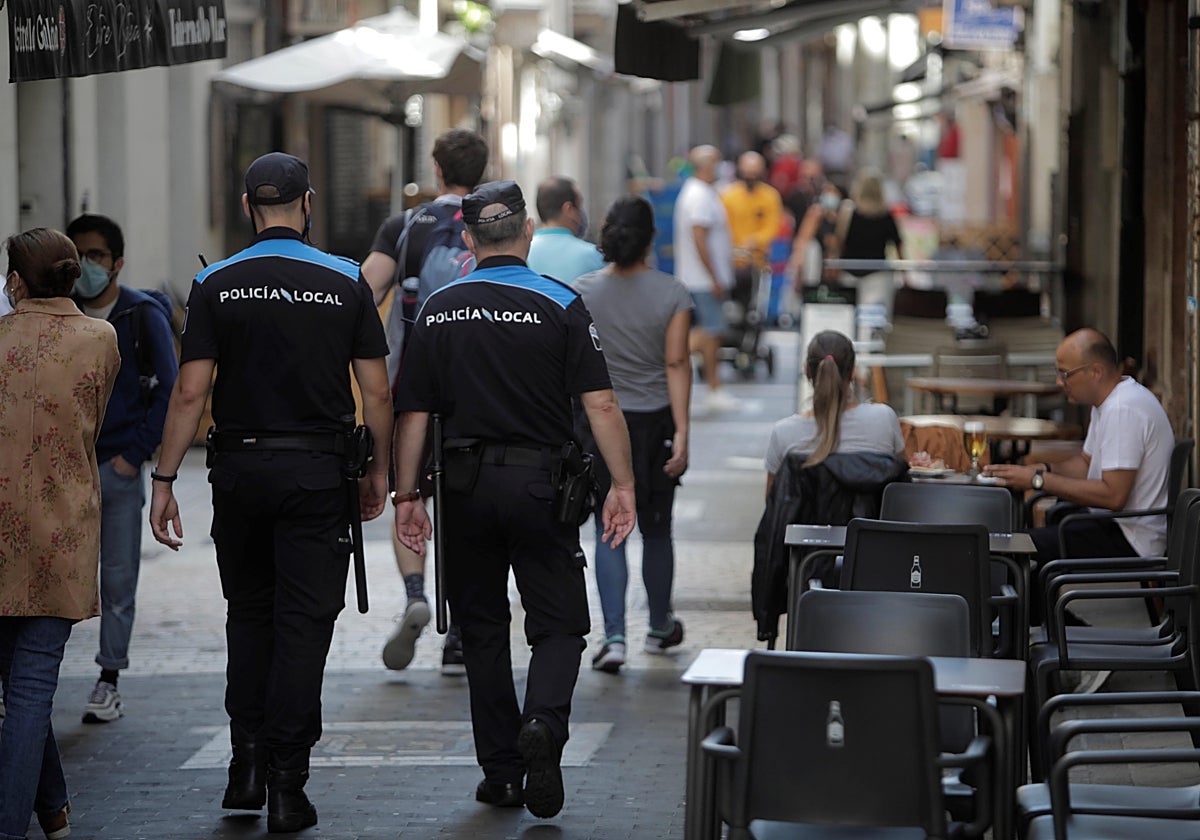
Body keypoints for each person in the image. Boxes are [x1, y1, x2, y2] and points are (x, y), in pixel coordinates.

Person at [148, 152, 393, 833]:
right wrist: (379, 473)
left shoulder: (214, 283)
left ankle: (245, 767)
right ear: (308, 204)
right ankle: (288, 784)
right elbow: (377, 392)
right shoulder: (345, 280)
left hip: (240, 474)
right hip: (318, 475)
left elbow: (190, 392)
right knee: (304, 627)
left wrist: (164, 480)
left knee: (250, 617)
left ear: (248, 207)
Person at [392, 180, 637, 819]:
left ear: (468, 239)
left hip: (463, 491)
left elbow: (412, 413)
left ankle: (501, 774)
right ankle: (544, 725)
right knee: (558, 623)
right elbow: (601, 404)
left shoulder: (438, 308)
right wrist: (623, 485)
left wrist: (406, 495)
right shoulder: (561, 302)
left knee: (481, 629)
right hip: (541, 487)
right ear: (527, 231)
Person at [0, 228, 120, 840]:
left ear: (15, 281)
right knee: (29, 688)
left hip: (0, 532)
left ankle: (12, 825)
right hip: (63, 530)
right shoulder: (100, 338)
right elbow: (91, 422)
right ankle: (51, 812)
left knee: (18, 690)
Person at [361, 128, 488, 675]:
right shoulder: (492, 222)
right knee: (465, 509)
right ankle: (458, 633)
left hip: (412, 384)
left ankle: (416, 592)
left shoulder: (405, 226)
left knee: (407, 493)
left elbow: (365, 291)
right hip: (476, 390)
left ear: (436, 169)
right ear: (482, 171)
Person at [66, 213, 179, 724]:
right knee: (54, 578)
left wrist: (133, 456)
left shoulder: (140, 315)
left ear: (117, 263)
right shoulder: (61, 312)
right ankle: (28, 678)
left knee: (117, 578)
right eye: (78, 255)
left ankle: (109, 678)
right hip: (64, 472)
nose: (87, 265)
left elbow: (170, 392)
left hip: (117, 469)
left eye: (97, 255)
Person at [575, 196, 693, 674]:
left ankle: (614, 637)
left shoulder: (582, 291)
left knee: (609, 530)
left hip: (600, 425)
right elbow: (676, 362)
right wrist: (682, 430)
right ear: (651, 240)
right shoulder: (673, 293)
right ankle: (660, 626)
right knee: (657, 529)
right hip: (655, 423)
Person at [984, 329, 1174, 564]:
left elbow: (1114, 496)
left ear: (1096, 372)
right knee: (1032, 533)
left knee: (1016, 549)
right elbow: (1086, 464)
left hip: (1132, 539)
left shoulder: (1123, 409)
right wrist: (1041, 469)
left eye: (1065, 374)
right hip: (1115, 524)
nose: (1059, 382)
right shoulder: (1110, 402)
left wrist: (1038, 480)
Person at [764, 330, 904, 496]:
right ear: (853, 372)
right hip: (872, 514)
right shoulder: (884, 419)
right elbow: (902, 482)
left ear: (807, 371)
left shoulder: (784, 433)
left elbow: (774, 504)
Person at [673, 145, 736, 413]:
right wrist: (714, 277)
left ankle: (713, 386)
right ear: (707, 166)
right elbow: (700, 238)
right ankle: (713, 388)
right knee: (711, 333)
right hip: (702, 279)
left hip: (702, 277)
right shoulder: (698, 195)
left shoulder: (703, 192)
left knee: (711, 331)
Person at [836, 170, 905, 321]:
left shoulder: (849, 213)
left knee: (848, 317)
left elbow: (839, 241)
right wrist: (904, 273)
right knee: (874, 318)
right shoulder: (886, 217)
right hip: (878, 272)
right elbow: (898, 245)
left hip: (849, 270)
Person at [525, 175, 605, 284]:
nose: (582, 214)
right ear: (568, 209)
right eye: (579, 207)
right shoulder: (595, 257)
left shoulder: (523, 254)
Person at [787, 181, 843, 289]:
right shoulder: (816, 212)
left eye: (833, 191)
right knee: (812, 247)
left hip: (835, 263)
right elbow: (802, 239)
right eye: (826, 191)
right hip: (815, 260)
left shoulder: (844, 215)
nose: (829, 194)